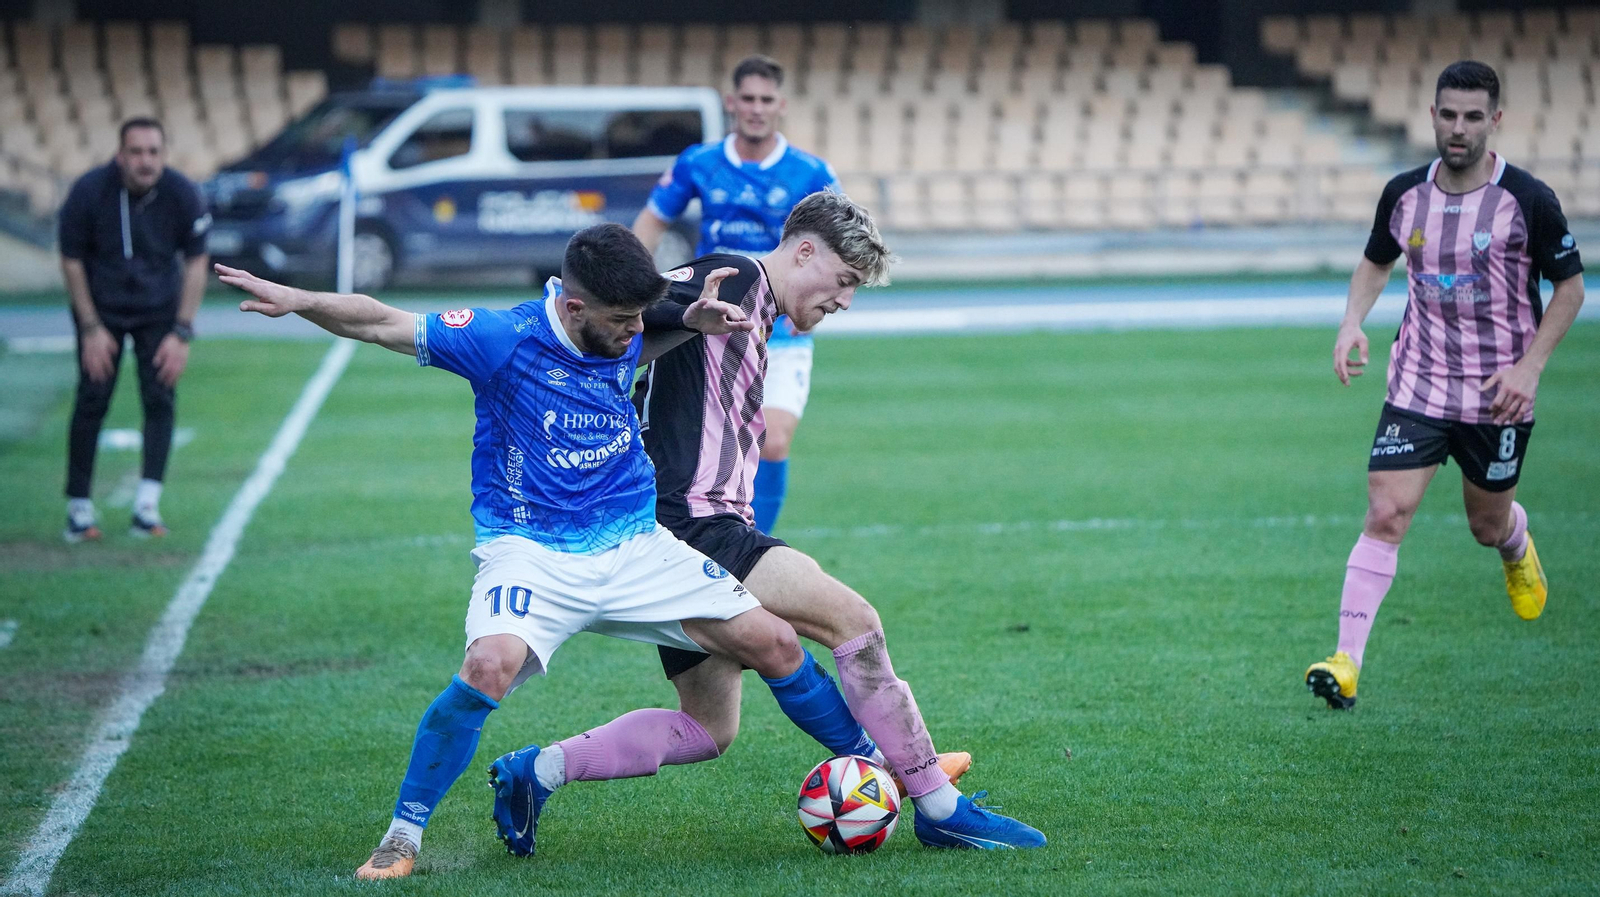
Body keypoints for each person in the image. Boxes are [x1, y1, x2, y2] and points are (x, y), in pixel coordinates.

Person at [217, 224, 824, 880]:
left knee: (776, 643)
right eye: (623, 321)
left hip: (636, 543)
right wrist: (299, 299)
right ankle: (401, 835)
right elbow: (378, 320)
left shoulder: (624, 322)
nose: (634, 332)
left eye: (638, 318)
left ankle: (892, 771)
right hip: (530, 548)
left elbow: (654, 326)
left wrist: (694, 319)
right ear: (572, 308)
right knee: (488, 663)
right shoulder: (500, 338)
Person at [491, 192, 1047, 851]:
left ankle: (537, 770)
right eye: (844, 281)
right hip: (696, 523)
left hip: (681, 525)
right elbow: (626, 307)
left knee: (708, 727)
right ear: (805, 250)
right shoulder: (740, 277)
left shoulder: (758, 312)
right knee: (855, 623)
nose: (845, 300)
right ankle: (938, 802)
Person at [1305, 61, 1584, 710]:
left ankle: (1515, 542)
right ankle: (1346, 661)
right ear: (1432, 116)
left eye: (1472, 116)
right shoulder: (1405, 194)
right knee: (1386, 513)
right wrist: (1351, 322)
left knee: (1484, 523)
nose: (1458, 129)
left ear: (1495, 120)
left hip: (1499, 393)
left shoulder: (1528, 199)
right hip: (1418, 385)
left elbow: (1570, 288)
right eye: (1448, 115)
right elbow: (1376, 261)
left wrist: (1530, 367)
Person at [633, 54, 836, 534]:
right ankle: (680, 535)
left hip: (778, 328)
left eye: (767, 99)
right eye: (748, 98)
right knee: (701, 441)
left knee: (774, 439)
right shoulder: (699, 162)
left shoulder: (809, 172)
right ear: (731, 102)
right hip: (712, 321)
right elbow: (652, 221)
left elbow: (836, 242)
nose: (757, 108)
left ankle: (749, 548)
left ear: (781, 105)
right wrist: (632, 284)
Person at [58, 117, 210, 541]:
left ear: (164, 154)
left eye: (153, 152)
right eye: (137, 152)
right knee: (92, 398)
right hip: (100, 309)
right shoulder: (89, 192)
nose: (145, 161)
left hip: (159, 311)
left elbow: (197, 261)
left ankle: (147, 505)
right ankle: (79, 509)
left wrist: (181, 332)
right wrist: (89, 327)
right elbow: (71, 259)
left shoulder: (183, 194)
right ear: (120, 155)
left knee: (160, 396)